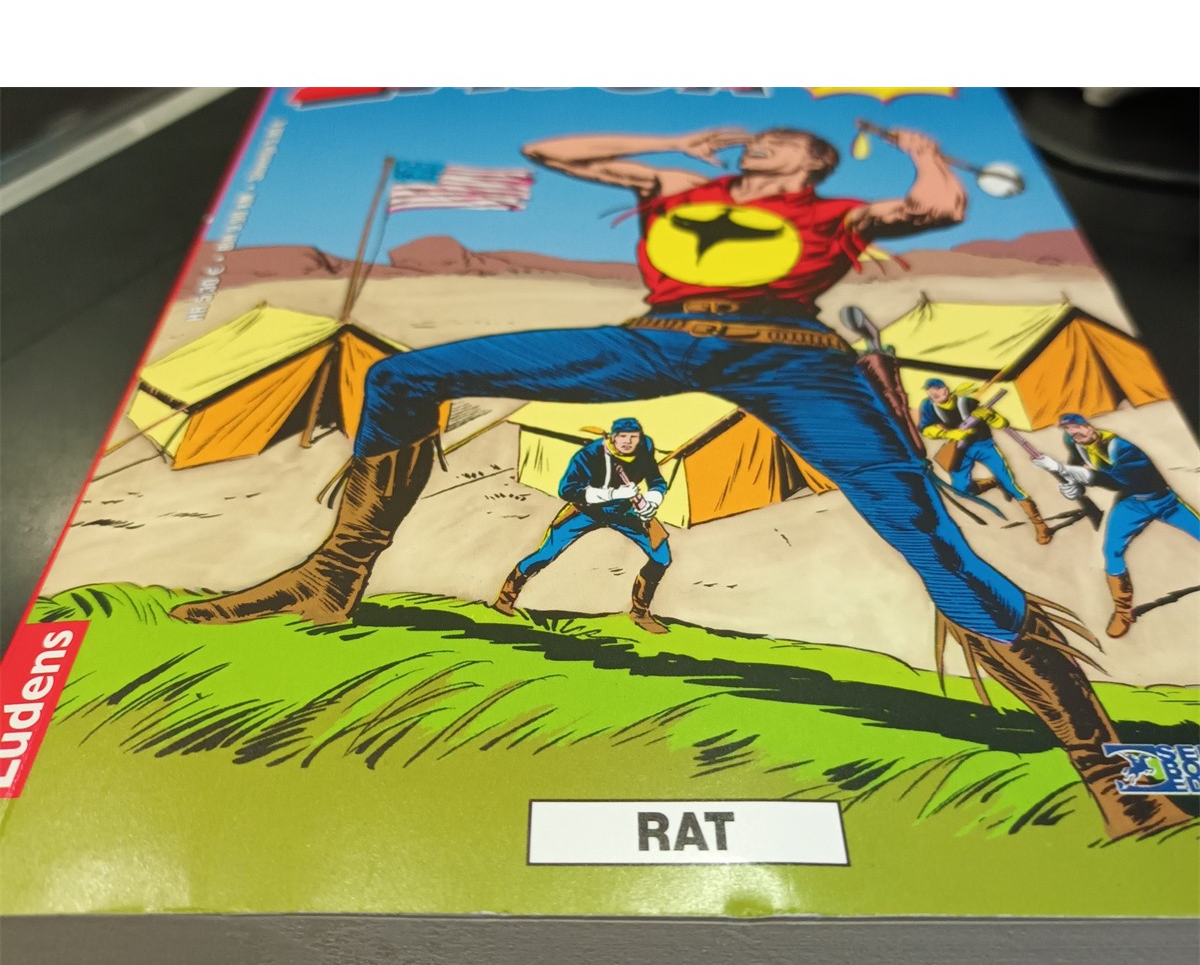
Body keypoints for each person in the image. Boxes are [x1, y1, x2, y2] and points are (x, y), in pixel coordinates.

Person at [169, 123, 1190, 839]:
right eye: (756, 141)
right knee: (403, 377)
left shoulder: (839, 213)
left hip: (794, 357)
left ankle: (1116, 778)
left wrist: (923, 149)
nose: (760, 148)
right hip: (658, 340)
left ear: (814, 163)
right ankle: (332, 577)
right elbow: (550, 153)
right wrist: (676, 144)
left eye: (779, 145)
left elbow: (939, 203)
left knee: (933, 548)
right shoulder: (676, 190)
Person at [493, 418, 672, 633]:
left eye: (633, 437)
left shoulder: (644, 450)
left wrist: (651, 502)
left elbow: (657, 481)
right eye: (622, 436)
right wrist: (612, 494)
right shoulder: (589, 455)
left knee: (661, 556)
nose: (628, 442)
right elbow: (567, 489)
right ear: (612, 437)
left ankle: (640, 612)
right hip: (585, 510)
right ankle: (505, 599)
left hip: (623, 511)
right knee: (546, 553)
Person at [1034, 413, 1200, 637]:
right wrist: (1070, 486)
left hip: (1163, 501)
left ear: (1090, 426)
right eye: (1068, 430)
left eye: (1076, 427)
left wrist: (1065, 470)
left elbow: (1115, 481)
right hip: (1132, 504)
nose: (1074, 433)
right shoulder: (1077, 443)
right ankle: (1123, 611)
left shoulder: (1123, 447)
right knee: (1112, 550)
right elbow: (1077, 474)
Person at [918, 378, 1052, 544]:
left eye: (938, 388)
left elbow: (1002, 423)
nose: (934, 393)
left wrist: (991, 416)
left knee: (1010, 485)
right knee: (961, 490)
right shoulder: (929, 406)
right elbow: (925, 429)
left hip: (984, 446)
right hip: (959, 449)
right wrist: (950, 434)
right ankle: (991, 482)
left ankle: (1039, 524)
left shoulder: (968, 402)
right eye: (930, 390)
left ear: (946, 389)